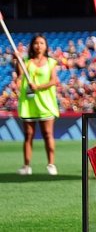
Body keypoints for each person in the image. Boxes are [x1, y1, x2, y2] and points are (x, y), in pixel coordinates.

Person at [15, 34, 60, 176]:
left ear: (45, 46)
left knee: (48, 134)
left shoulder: (51, 62)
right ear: (32, 46)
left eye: (41, 43)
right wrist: (17, 60)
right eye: (36, 43)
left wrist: (38, 87)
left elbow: (54, 81)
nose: (38, 46)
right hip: (29, 103)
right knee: (28, 135)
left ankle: (51, 164)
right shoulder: (26, 61)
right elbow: (19, 75)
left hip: (45, 103)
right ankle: (26, 166)